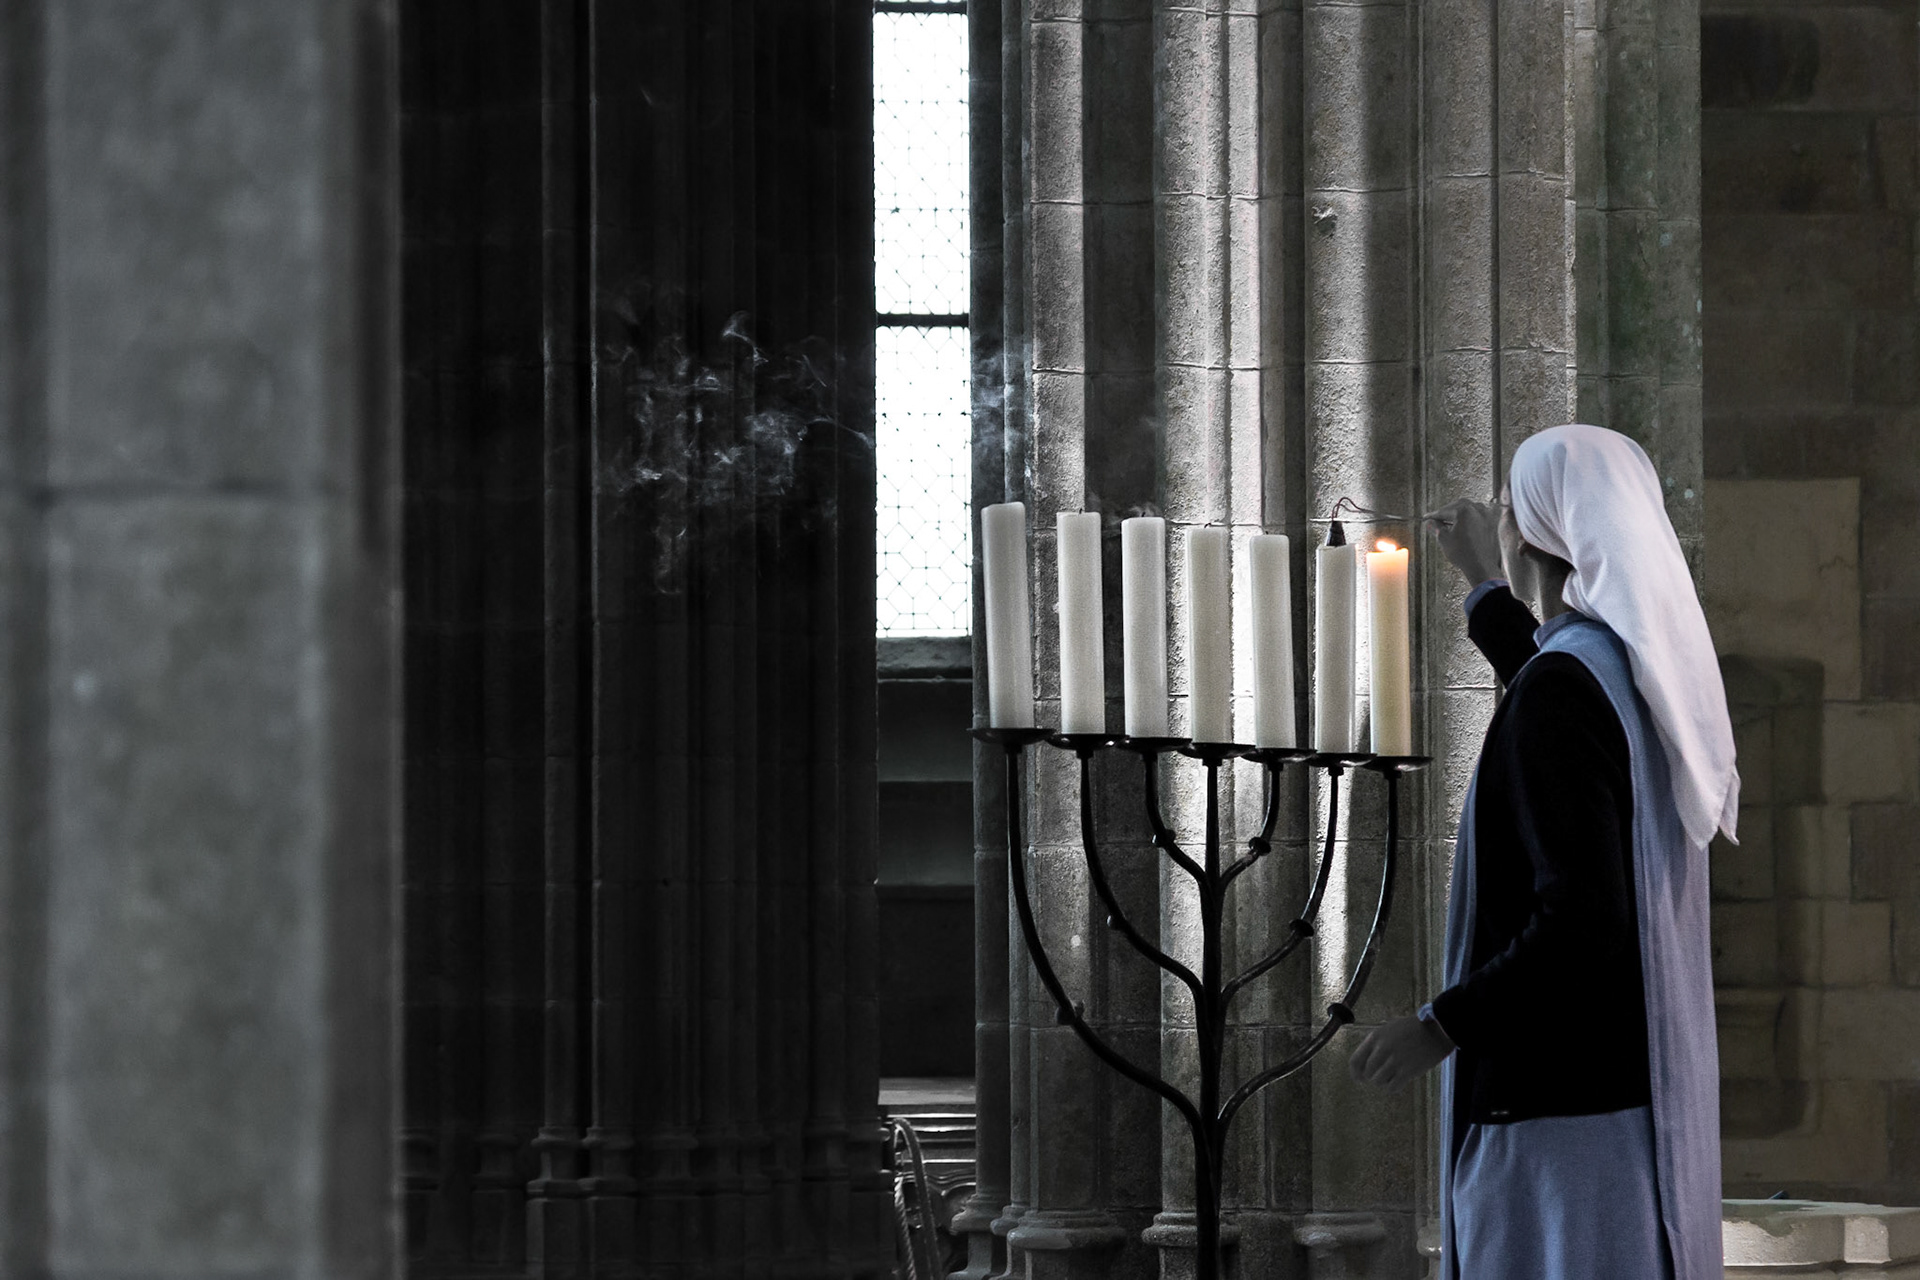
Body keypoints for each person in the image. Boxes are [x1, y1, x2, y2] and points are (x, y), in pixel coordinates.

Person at [1346, 425, 1735, 1280]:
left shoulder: (1565, 690)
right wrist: (1487, 589)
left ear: (1531, 531)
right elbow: (1552, 696)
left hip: (1556, 1133)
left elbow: (1582, 918)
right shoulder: (1631, 672)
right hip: (1625, 1108)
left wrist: (1439, 1024)